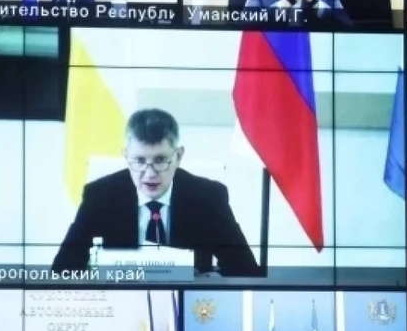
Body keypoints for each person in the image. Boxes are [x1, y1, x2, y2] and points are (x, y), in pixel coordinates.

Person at [52, 108, 259, 276]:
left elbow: (245, 271)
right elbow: (63, 270)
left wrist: (206, 279)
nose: (150, 174)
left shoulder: (209, 197)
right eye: (140, 161)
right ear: (125, 156)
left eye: (160, 160)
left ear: (178, 156)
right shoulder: (99, 196)